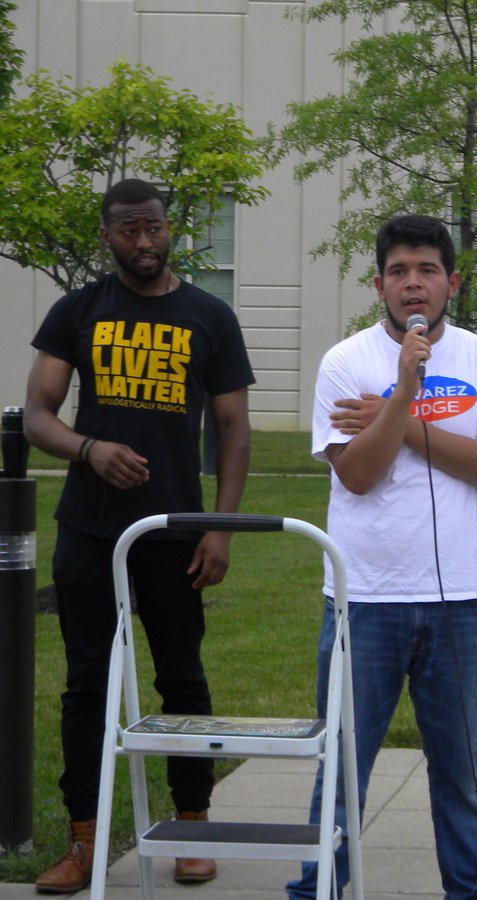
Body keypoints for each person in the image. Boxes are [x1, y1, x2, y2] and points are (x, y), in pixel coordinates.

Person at [24, 178, 254, 893]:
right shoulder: (78, 311)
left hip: (175, 530)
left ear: (169, 228)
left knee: (181, 675)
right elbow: (38, 413)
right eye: (129, 230)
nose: (145, 242)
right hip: (90, 531)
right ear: (107, 237)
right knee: (87, 682)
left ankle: (192, 829)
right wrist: (89, 449)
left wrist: (218, 528)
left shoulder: (209, 315)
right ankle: (83, 843)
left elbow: (233, 427)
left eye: (153, 228)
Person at [285, 214, 477, 900]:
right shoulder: (344, 363)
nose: (412, 284)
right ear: (378, 283)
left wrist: (399, 418)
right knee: (344, 765)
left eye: (426, 270)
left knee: (461, 768)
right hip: (366, 601)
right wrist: (406, 387)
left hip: (465, 602)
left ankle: (473, 890)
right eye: (398, 272)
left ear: (452, 281)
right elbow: (356, 474)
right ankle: (321, 887)